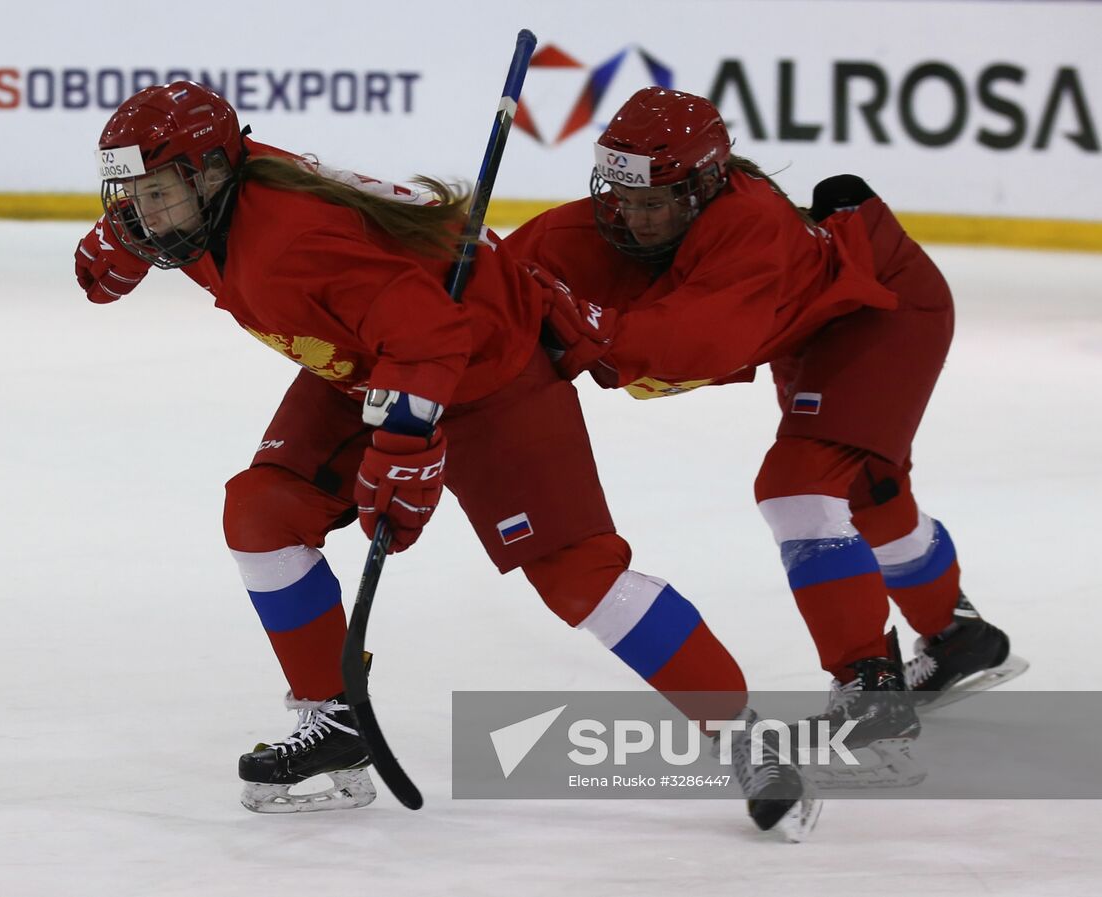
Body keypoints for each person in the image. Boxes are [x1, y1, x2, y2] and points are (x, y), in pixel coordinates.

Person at [74, 81, 818, 836]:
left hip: (490, 369)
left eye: (153, 194)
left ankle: (747, 731)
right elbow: (390, 329)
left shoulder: (288, 243)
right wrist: (126, 236)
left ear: (208, 175)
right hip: (368, 360)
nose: (138, 214)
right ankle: (334, 721)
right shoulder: (213, 209)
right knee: (261, 509)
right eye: (127, 196)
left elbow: (432, 332)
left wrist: (404, 443)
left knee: (580, 578)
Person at [510, 87, 1025, 777]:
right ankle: (962, 638)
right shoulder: (630, 217)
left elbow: (693, 341)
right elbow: (511, 270)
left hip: (886, 313)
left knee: (797, 489)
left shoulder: (751, 226)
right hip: (814, 327)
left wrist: (585, 330)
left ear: (702, 186)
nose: (631, 217)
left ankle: (872, 691)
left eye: (653, 201)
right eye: (619, 196)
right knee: (869, 495)